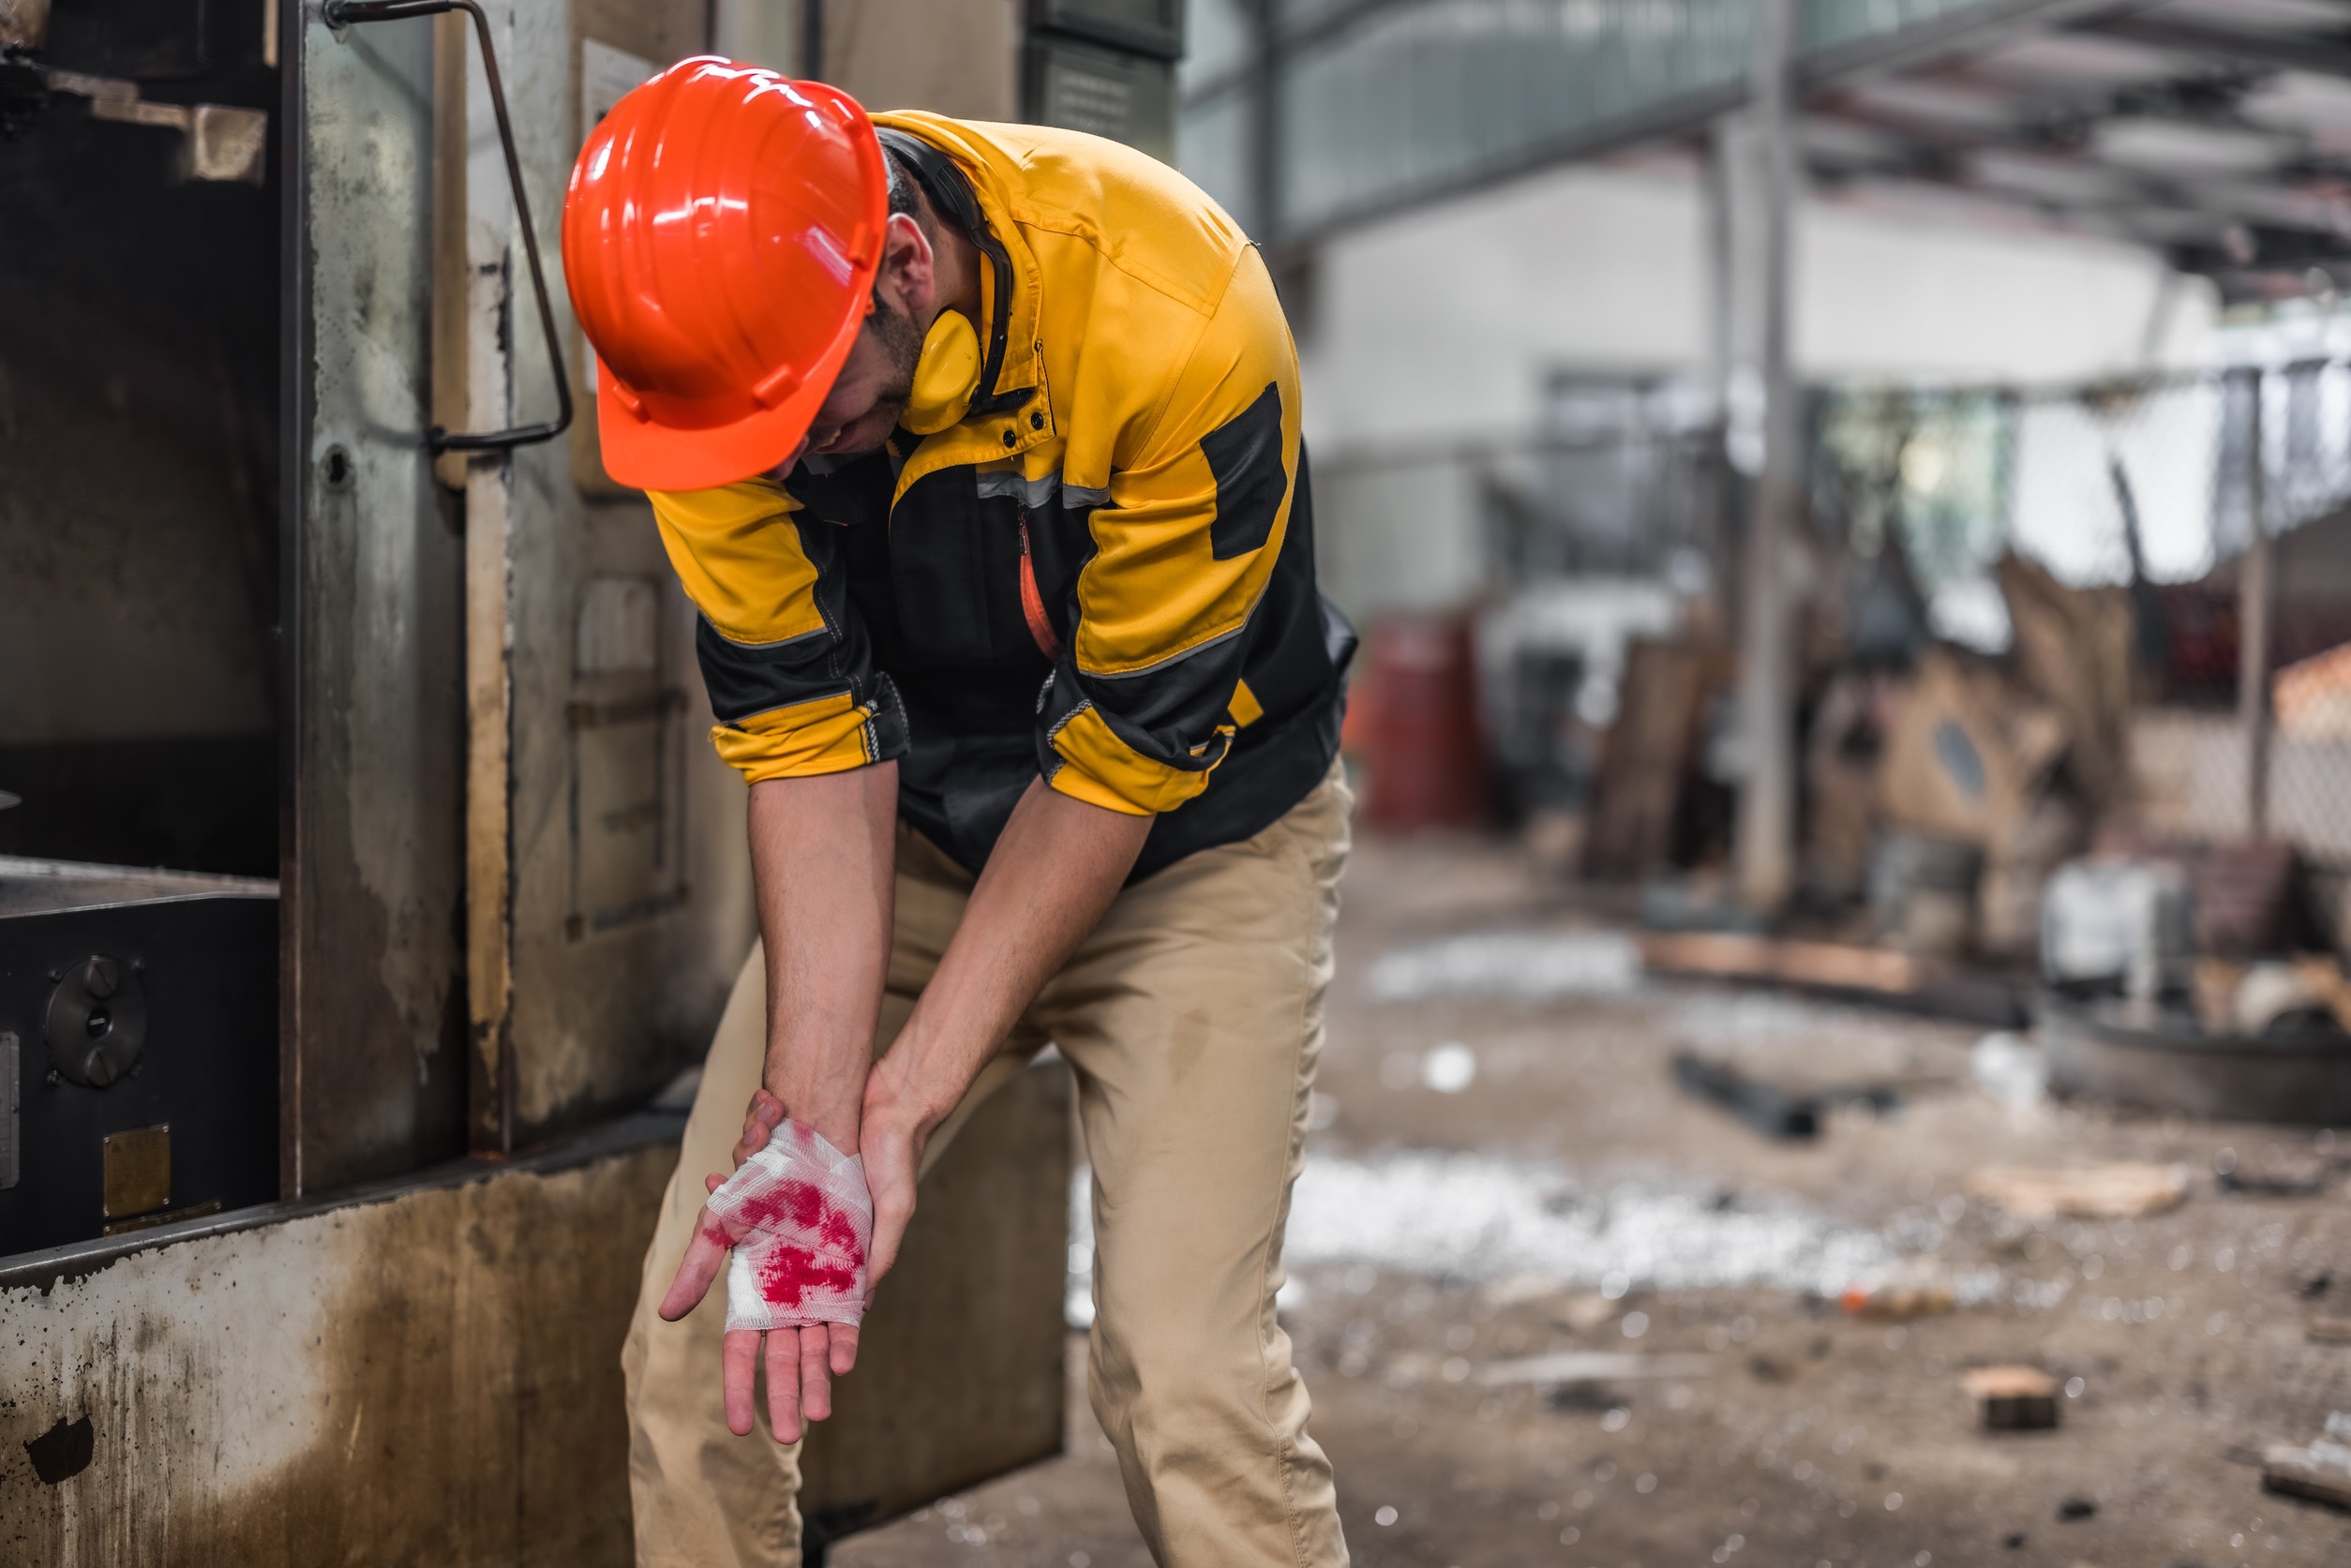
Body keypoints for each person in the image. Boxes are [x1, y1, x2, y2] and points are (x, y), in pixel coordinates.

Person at [563, 56, 1355, 1568]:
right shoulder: (708, 373)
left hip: (1199, 844)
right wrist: (815, 1122)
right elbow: (808, 734)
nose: (788, 467)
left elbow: (1123, 759)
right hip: (914, 838)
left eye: (816, 422)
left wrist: (906, 1096)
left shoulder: (1178, 318)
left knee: (1185, 1381)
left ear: (906, 267)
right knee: (706, 1340)